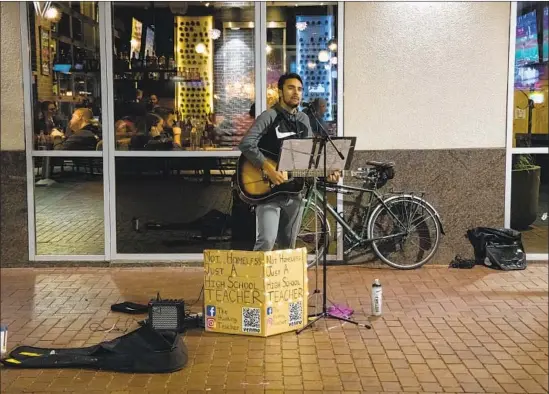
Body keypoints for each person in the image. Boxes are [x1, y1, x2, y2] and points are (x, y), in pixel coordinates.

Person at [239, 73, 339, 251]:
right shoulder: (269, 116)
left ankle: (281, 280)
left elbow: (309, 157)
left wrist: (326, 173)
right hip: (268, 192)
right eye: (291, 88)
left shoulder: (304, 120)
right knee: (267, 241)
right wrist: (268, 167)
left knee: (288, 247)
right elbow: (246, 144)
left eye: (300, 89)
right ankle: (257, 279)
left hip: (294, 192)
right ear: (280, 91)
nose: (296, 93)